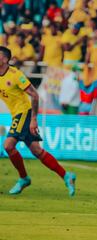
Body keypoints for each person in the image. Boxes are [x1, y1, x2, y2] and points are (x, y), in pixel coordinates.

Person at [0, 46, 76, 196]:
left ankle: (23, 178)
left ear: (5, 59)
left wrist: (34, 119)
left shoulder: (16, 75)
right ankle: (66, 175)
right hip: (16, 114)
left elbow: (34, 95)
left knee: (8, 146)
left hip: (24, 113)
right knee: (36, 150)